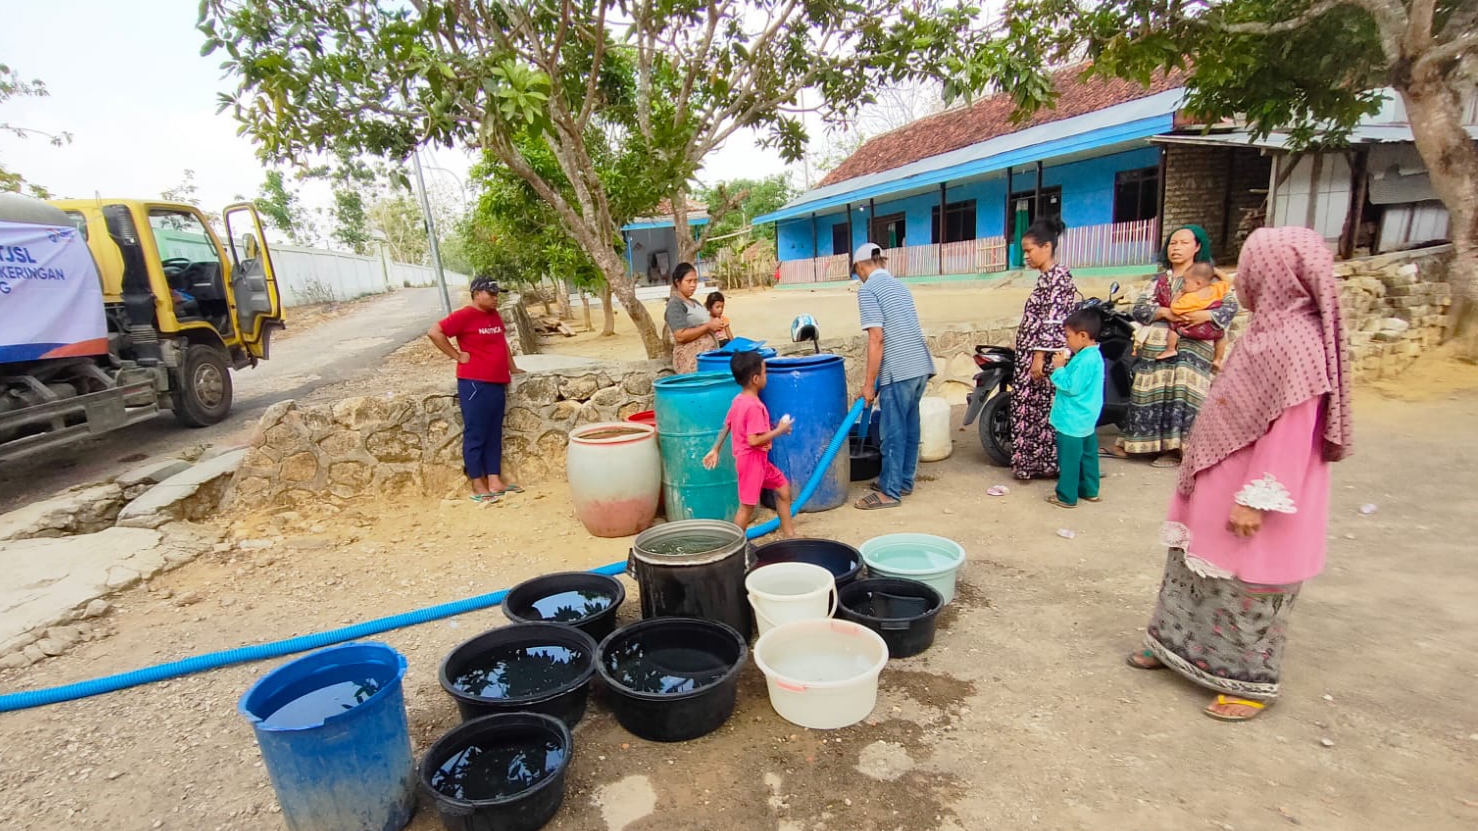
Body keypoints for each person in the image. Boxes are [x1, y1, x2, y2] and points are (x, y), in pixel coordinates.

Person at [1126, 226, 1352, 722]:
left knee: (1249, 585)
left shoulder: (1299, 342)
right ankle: (1174, 649)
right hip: (1214, 480)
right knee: (1191, 569)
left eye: (1252, 266)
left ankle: (1247, 682)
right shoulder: (1267, 328)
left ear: (1275, 274)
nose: (1243, 275)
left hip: (1253, 495)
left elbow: (1293, 430)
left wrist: (1256, 498)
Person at [1110, 225, 1239, 467]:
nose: (1176, 248)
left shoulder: (1207, 276)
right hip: (1158, 345)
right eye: (1172, 243)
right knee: (1148, 389)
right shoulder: (1159, 280)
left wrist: (1205, 316)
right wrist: (1165, 312)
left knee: (1183, 389)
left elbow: (1230, 306)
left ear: (1197, 247)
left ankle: (1177, 449)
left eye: (1183, 243)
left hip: (1194, 343)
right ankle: (1142, 445)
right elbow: (1139, 307)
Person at [851, 242, 934, 510]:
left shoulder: (868, 290)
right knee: (910, 427)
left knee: (893, 431)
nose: (858, 276)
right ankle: (903, 482)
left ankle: (889, 492)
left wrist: (867, 385)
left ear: (860, 266)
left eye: (857, 271)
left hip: (898, 369)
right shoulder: (900, 287)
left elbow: (877, 338)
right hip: (920, 364)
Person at [427, 276, 524, 503]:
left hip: (496, 381)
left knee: (493, 432)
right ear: (477, 293)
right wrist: (457, 356)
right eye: (491, 294)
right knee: (476, 433)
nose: (495, 298)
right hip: (474, 383)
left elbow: (502, 343)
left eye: (496, 294)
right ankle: (477, 483)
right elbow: (434, 332)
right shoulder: (464, 316)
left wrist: (513, 368)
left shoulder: (494, 315)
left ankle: (495, 480)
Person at [1010, 217, 1078, 481]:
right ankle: (1031, 463)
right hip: (1031, 353)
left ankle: (1045, 464)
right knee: (1029, 409)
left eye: (1029, 250)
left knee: (1041, 411)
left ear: (1046, 247)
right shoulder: (1045, 278)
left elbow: (1054, 321)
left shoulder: (1059, 278)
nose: (1026, 256)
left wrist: (1038, 357)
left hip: (1044, 357)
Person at [702, 351, 797, 537]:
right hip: (751, 462)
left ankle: (789, 535)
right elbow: (753, 440)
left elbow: (727, 424)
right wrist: (780, 430)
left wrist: (715, 448)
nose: (766, 376)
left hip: (759, 461)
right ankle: (734, 547)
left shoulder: (739, 400)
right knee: (746, 507)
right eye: (764, 372)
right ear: (755, 378)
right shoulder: (753, 406)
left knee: (784, 489)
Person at [1046, 309, 1104, 508]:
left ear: (1083, 336)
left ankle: (1066, 495)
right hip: (1087, 417)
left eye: (1068, 336)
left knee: (1069, 459)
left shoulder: (1085, 360)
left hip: (1072, 418)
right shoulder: (1094, 356)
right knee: (1088, 455)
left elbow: (1071, 387)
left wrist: (1059, 367)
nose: (1066, 341)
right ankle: (1090, 490)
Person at [1159, 262, 1231, 371]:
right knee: (1222, 336)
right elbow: (1228, 281)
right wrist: (1214, 271)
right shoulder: (1216, 289)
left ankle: (1170, 349)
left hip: (1192, 329)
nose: (1183, 285)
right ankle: (1217, 359)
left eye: (1185, 282)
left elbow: (1175, 310)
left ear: (1198, 283)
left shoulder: (1190, 297)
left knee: (1173, 327)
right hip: (1213, 330)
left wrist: (1175, 298)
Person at [665, 262, 725, 373]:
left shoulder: (695, 302)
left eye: (695, 281)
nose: (693, 285)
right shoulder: (675, 304)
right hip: (690, 361)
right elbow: (680, 336)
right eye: (689, 281)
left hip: (706, 358)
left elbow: (706, 322)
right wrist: (708, 326)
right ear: (678, 282)